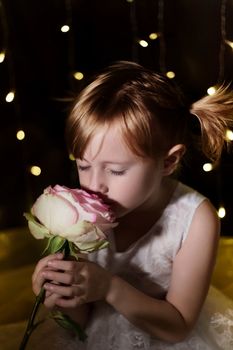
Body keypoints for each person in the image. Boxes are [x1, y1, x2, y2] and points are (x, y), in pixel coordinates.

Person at [31, 61, 233, 349]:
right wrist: (63, 293)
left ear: (168, 161)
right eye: (83, 165)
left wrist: (109, 287)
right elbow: (82, 321)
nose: (94, 185)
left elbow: (178, 328)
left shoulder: (196, 219)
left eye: (116, 170)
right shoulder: (80, 212)